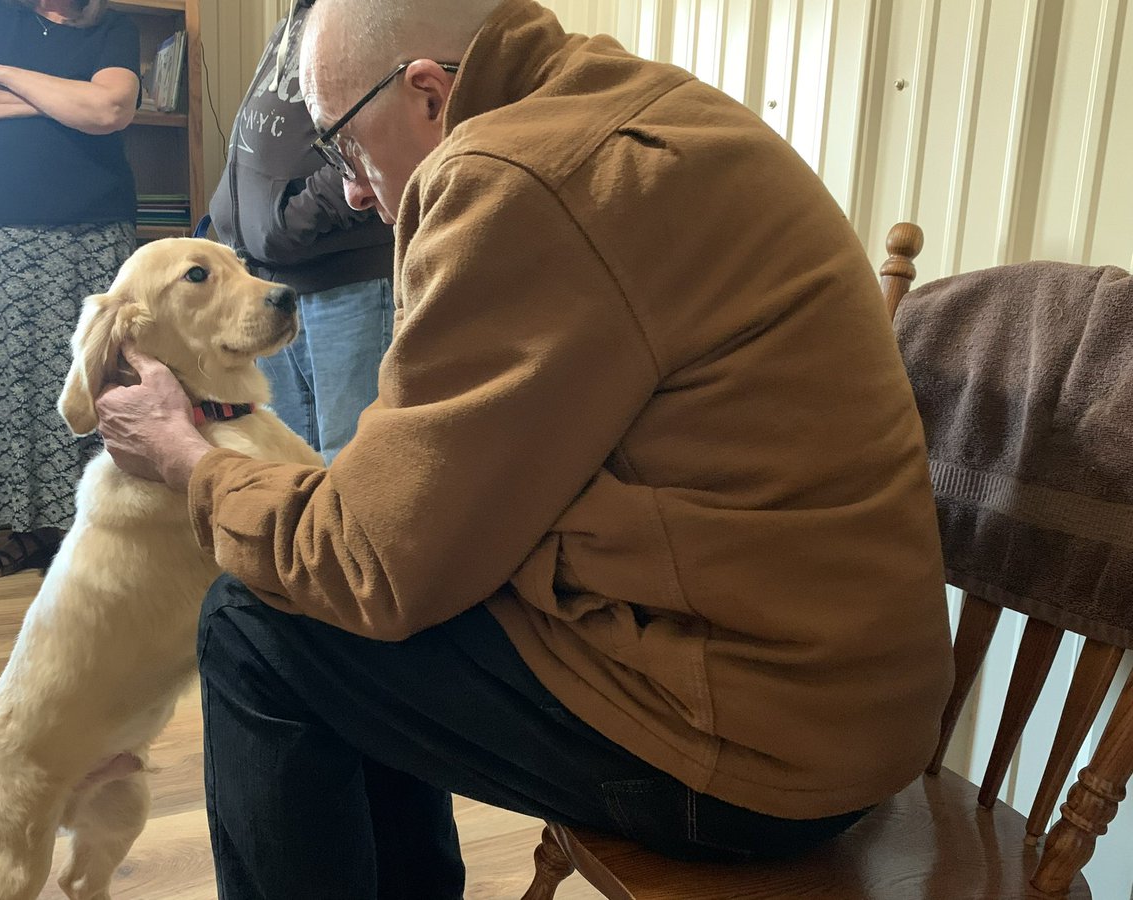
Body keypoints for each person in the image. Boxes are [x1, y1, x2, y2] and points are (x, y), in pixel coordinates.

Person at [95, 0, 956, 897]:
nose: (351, 189)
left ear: (428, 94)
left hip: (758, 751)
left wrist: (186, 457)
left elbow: (368, 567)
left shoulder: (517, 178)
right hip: (841, 698)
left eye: (344, 146)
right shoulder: (632, 100)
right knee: (368, 613)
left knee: (255, 627)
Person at [0, 0, 140, 578]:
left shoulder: (114, 26)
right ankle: (30, 530)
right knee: (2, 376)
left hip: (89, 232)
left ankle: (96, 525)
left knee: (91, 376)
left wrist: (0, 74)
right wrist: (59, 101)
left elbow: (108, 109)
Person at [208, 0, 395, 463]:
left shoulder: (378, 15)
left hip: (343, 280)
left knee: (349, 457)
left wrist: (293, 221)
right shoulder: (298, 19)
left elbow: (383, 133)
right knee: (281, 452)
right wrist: (231, 216)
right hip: (270, 275)